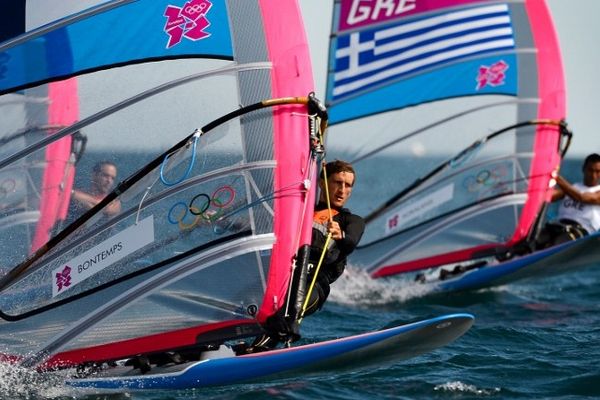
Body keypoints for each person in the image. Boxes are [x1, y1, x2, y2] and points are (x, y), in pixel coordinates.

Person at [246, 160, 365, 353]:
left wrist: (340, 235)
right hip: (281, 279)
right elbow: (259, 225)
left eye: (348, 185)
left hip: (313, 286)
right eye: (337, 182)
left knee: (287, 311)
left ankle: (256, 351)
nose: (342, 190)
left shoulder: (350, 221)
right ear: (322, 183)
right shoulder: (300, 211)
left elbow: (351, 241)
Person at [537, 153, 600, 247]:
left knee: (556, 243)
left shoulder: (597, 192)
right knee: (533, 240)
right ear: (583, 169)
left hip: (581, 231)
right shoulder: (573, 188)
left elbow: (581, 197)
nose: (593, 175)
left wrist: (556, 177)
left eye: (598, 171)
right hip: (559, 226)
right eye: (590, 170)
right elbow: (549, 197)